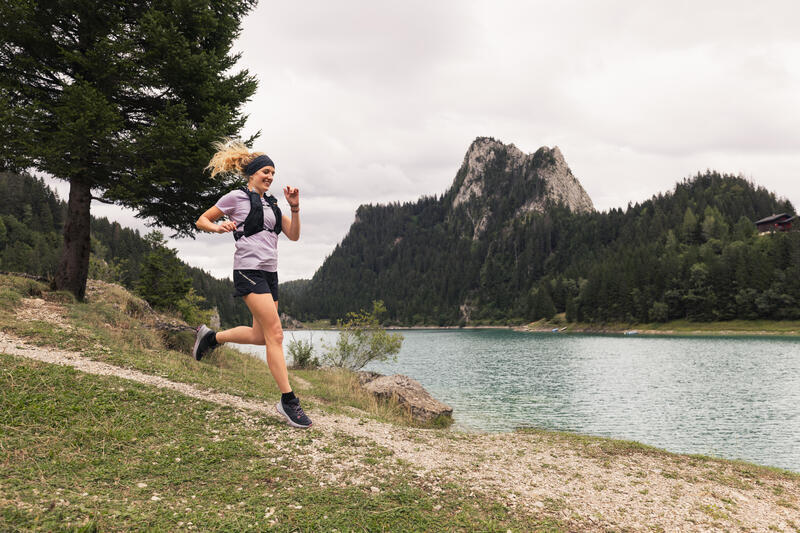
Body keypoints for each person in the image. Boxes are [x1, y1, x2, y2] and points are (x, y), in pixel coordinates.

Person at [192, 139, 311, 429]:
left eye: (273, 173)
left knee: (262, 336)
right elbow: (201, 220)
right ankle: (288, 400)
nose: (270, 177)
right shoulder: (235, 197)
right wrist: (219, 226)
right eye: (265, 172)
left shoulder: (272, 203)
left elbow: (293, 236)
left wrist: (294, 209)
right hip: (248, 270)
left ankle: (211, 339)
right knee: (277, 335)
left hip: (270, 274)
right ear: (252, 174)